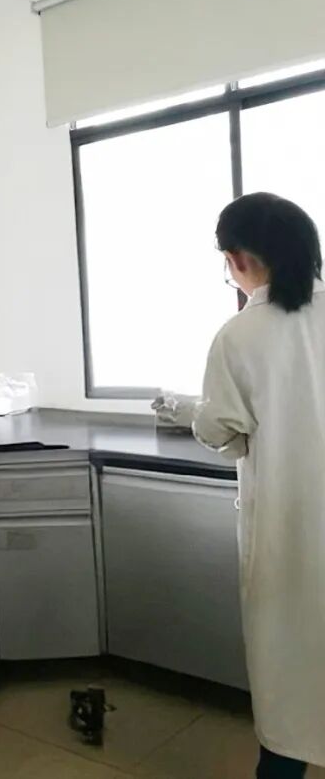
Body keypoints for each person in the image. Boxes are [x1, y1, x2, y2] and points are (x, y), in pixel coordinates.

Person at [193, 192, 325, 779]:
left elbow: (220, 431)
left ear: (240, 259)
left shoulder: (241, 334)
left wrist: (197, 417)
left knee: (291, 688)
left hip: (290, 538)